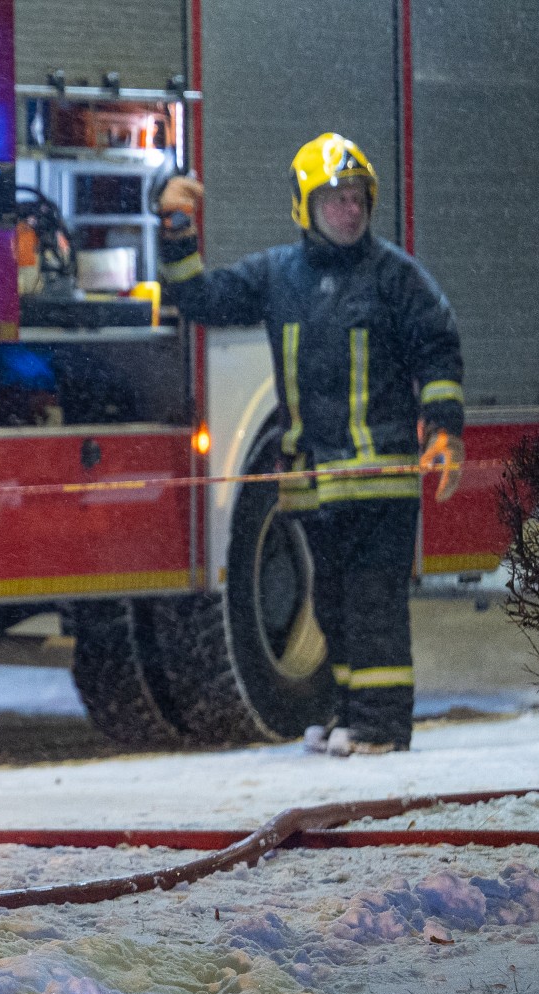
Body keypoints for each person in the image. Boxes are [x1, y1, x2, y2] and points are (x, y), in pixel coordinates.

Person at [156, 133, 463, 756]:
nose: (348, 211)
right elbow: (201, 299)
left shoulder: (396, 277)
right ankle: (349, 715)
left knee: (373, 602)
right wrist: (177, 229)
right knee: (332, 603)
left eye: (356, 199)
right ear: (305, 207)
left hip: (379, 480)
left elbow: (438, 348)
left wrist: (444, 427)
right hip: (313, 483)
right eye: (334, 200)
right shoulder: (278, 275)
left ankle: (381, 727)